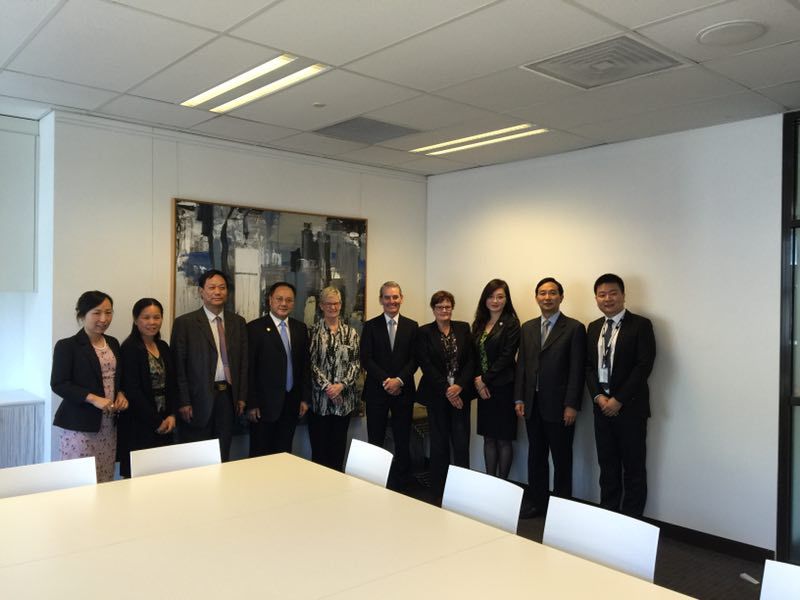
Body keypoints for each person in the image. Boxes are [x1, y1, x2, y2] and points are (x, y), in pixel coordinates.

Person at [586, 273, 656, 517]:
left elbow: (643, 366)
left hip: (630, 409)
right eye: (602, 294)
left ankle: (632, 521)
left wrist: (618, 400)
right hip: (601, 408)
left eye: (613, 293)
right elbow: (588, 367)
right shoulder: (594, 327)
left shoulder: (641, 325)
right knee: (607, 466)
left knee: (633, 468)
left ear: (623, 295)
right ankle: (608, 515)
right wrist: (598, 397)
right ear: (596, 298)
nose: (608, 298)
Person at [515, 278, 586, 518]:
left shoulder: (574, 328)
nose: (547, 297)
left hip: (560, 407)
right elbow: (522, 366)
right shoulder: (528, 327)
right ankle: (538, 502)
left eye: (553, 293)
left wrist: (572, 405)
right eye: (543, 293)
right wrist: (519, 399)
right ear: (536, 297)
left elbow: (577, 370)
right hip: (532, 404)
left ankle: (562, 509)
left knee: (562, 459)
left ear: (561, 297)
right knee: (536, 457)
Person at [51, 291, 129, 482]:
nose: (104, 319)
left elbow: (117, 378)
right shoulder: (67, 346)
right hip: (80, 425)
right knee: (79, 480)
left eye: (108, 312)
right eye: (96, 313)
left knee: (104, 477)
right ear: (82, 314)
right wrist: (93, 399)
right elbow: (59, 384)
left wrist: (121, 393)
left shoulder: (113, 342)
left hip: (108, 425)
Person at [171, 270, 247, 462]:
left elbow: (243, 363)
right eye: (212, 287)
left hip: (227, 397)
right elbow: (178, 367)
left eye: (222, 287)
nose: (217, 292)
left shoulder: (238, 323)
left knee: (223, 454)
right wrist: (184, 401)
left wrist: (241, 396)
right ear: (201, 291)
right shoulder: (185, 323)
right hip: (197, 399)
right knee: (197, 456)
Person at [416, 290, 475, 498]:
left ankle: (462, 490)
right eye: (440, 307)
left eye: (447, 306)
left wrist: (459, 386)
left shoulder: (463, 328)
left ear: (452, 308)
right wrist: (448, 391)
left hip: (461, 394)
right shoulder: (424, 332)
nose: (444, 310)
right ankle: (439, 489)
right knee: (439, 444)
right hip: (437, 395)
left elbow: (471, 361)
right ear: (433, 309)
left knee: (461, 443)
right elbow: (426, 365)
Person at [360, 281, 418, 489]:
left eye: (395, 297)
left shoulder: (412, 326)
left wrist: (399, 380)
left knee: (403, 438)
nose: (391, 301)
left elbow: (415, 358)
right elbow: (366, 359)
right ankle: (375, 480)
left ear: (401, 298)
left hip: (403, 391)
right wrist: (387, 381)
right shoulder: (370, 326)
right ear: (380, 300)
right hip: (377, 391)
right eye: (387, 297)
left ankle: (402, 482)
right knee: (375, 438)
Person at [247, 281, 311, 456]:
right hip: (263, 407)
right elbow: (249, 369)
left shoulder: (300, 328)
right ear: (270, 300)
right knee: (260, 456)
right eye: (279, 299)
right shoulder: (254, 328)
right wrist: (252, 403)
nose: (284, 303)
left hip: (291, 404)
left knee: (284, 454)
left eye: (289, 300)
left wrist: (304, 398)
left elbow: (305, 365)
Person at [119, 298, 176, 477]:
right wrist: (156, 421)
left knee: (162, 477)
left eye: (157, 317)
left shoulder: (163, 346)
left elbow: (172, 384)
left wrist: (172, 415)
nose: (152, 322)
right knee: (137, 478)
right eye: (146, 317)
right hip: (139, 422)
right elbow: (132, 390)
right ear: (136, 320)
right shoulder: (129, 348)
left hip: (165, 421)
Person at [471, 279, 520, 480]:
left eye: (500, 297)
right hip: (483, 388)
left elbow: (507, 357)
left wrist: (485, 379)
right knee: (489, 438)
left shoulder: (511, 323)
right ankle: (490, 481)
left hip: (504, 388)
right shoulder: (479, 323)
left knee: (503, 439)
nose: (495, 301)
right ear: (485, 299)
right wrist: (478, 382)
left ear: (506, 300)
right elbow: (473, 355)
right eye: (491, 296)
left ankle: (502, 484)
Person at [308, 287, 361, 471]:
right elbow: (310, 364)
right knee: (319, 452)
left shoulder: (351, 333)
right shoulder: (313, 332)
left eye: (336, 303)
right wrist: (329, 388)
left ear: (341, 304)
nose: (333, 307)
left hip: (343, 403)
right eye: (328, 303)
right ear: (321, 306)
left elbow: (356, 363)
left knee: (338, 451)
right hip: (320, 403)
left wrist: (341, 386)